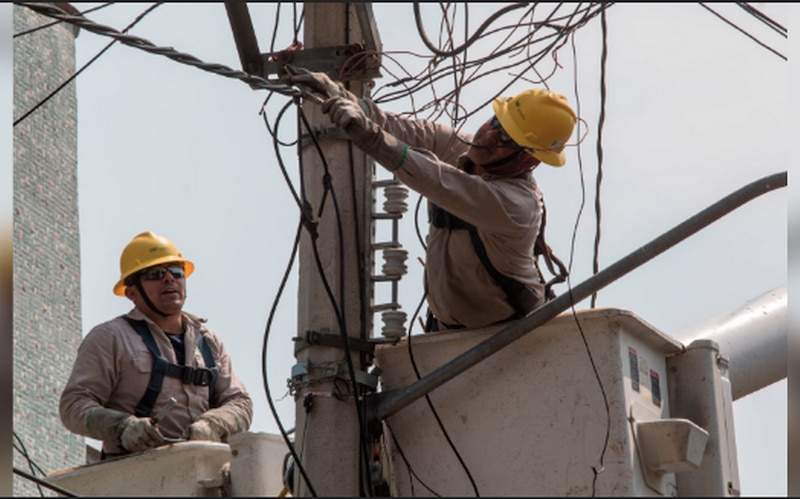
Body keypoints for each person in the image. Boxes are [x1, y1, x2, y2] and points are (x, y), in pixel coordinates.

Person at [285, 67, 576, 331]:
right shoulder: (467, 148)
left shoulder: (517, 205)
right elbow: (405, 130)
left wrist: (370, 137)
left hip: (511, 338)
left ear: (527, 161)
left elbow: (435, 178)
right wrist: (349, 100)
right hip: (447, 335)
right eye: (496, 122)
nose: (489, 136)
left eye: (507, 139)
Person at [60, 231, 253, 459]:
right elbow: (73, 405)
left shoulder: (208, 341)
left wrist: (214, 424)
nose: (169, 279)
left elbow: (240, 402)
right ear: (131, 292)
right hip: (134, 476)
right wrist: (123, 426)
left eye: (177, 272)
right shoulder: (111, 338)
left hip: (203, 471)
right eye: (156, 273)